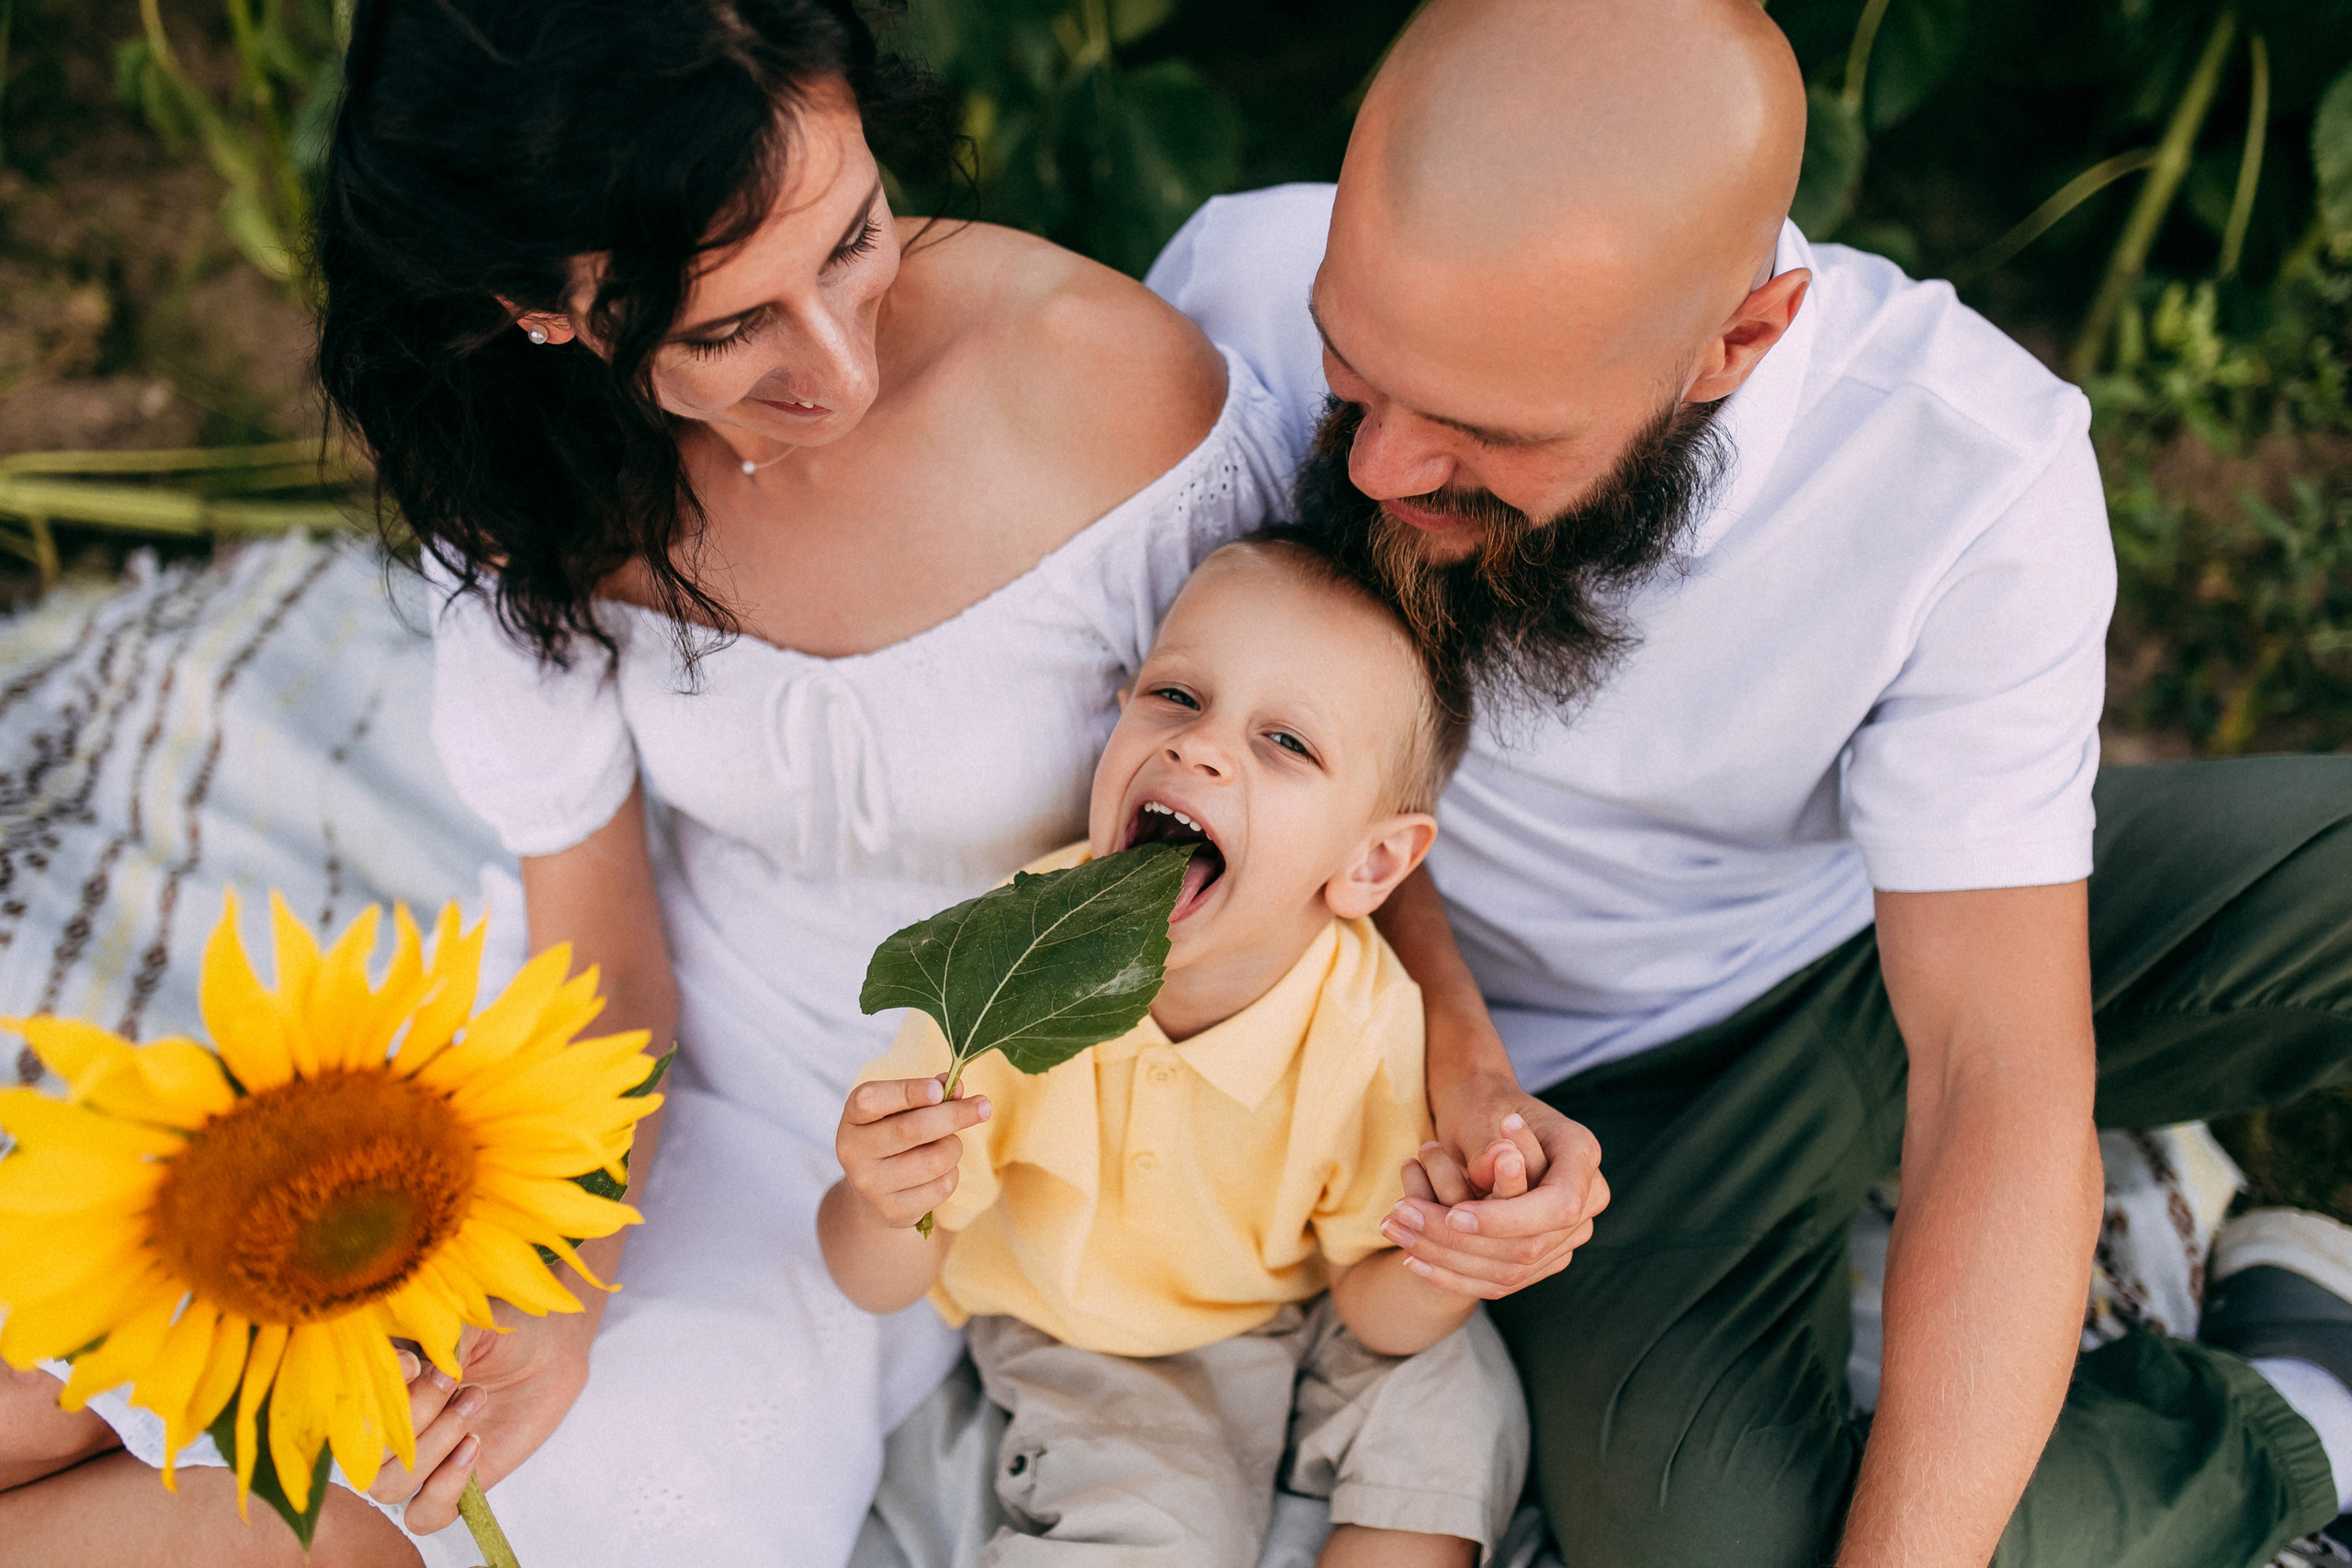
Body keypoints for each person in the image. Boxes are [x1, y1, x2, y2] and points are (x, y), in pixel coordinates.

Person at [0, 2, 1297, 1564]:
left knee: (425, 1506)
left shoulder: (1106, 392)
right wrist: (558, 1265)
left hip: (875, 1136)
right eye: (727, 327)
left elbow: (1328, 783)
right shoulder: (535, 459)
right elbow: (602, 953)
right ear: (548, 311)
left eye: (855, 236)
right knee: (48, 1375)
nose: (840, 363)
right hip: (588, 1044)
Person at [1145, 1, 2352, 1565]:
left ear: (1740, 340)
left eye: (1486, 432)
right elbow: (1264, 767)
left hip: (1913, 921)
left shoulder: (1967, 467)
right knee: (1719, 1540)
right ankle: (2297, 1402)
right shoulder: (1231, 286)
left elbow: (1998, 1060)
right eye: (1351, 369)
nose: (1373, 469)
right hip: (1606, 1083)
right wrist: (1459, 1054)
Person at [821, 535, 1526, 1568]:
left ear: (1372, 863)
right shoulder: (1008, 973)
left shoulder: (1368, 1020)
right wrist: (881, 1200)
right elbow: (875, 1282)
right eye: (1177, 698)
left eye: (1286, 743)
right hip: (1095, 1338)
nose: (1200, 749)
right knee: (1153, 1517)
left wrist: (1446, 1258)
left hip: (1298, 1304)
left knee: (1449, 1400)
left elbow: (1373, 1305)